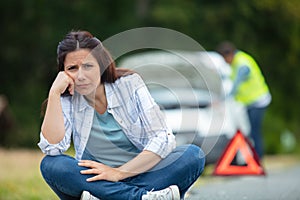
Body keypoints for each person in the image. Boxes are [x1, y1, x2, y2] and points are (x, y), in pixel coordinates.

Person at [38, 30, 205, 200]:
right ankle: (142, 197)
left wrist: (118, 173)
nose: (80, 76)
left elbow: (163, 138)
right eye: (72, 68)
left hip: (141, 173)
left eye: (88, 66)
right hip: (96, 181)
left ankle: (115, 196)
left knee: (192, 155)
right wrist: (54, 94)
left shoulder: (129, 84)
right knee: (51, 165)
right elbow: (52, 148)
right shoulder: (66, 99)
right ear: (63, 72)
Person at [216, 41, 271, 159]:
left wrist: (224, 98)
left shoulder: (242, 63)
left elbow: (237, 83)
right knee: (250, 131)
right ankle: (253, 158)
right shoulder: (236, 63)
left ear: (229, 55)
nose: (226, 63)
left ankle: (258, 159)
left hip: (258, 101)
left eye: (225, 60)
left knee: (254, 131)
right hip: (250, 103)